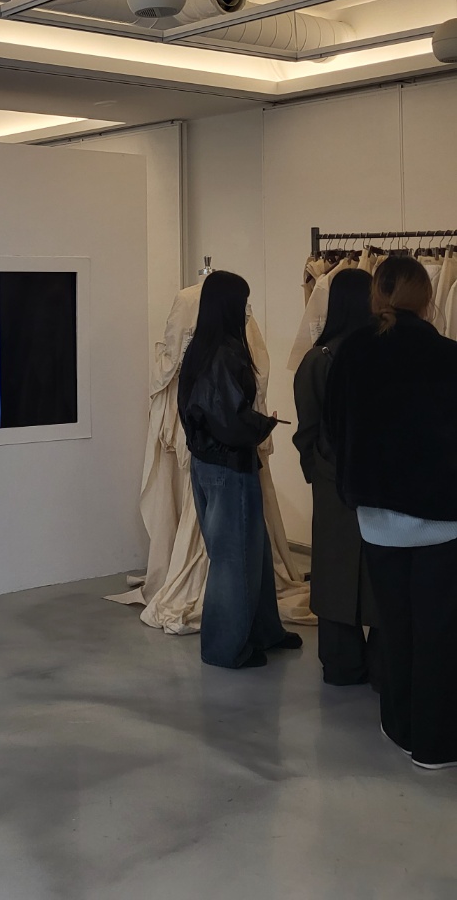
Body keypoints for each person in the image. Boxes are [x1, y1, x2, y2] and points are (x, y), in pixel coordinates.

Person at [327, 256, 457, 769]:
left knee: (396, 627)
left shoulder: (351, 352)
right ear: (427, 297)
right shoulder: (448, 355)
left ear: (377, 295)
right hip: (442, 519)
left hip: (378, 518)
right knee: (439, 632)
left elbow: (335, 430)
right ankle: (436, 744)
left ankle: (400, 727)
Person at [178, 270, 302, 669]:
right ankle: (225, 647)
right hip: (228, 465)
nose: (247, 311)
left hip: (207, 463)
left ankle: (264, 631)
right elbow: (229, 420)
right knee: (234, 559)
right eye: (244, 303)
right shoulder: (226, 352)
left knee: (253, 552)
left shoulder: (201, 349)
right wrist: (263, 424)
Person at [293, 268, 377, 686]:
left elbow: (307, 429)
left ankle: (342, 662)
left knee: (335, 568)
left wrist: (318, 473)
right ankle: (384, 664)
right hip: (382, 480)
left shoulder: (319, 359)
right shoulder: (384, 353)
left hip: (333, 480)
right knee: (381, 572)